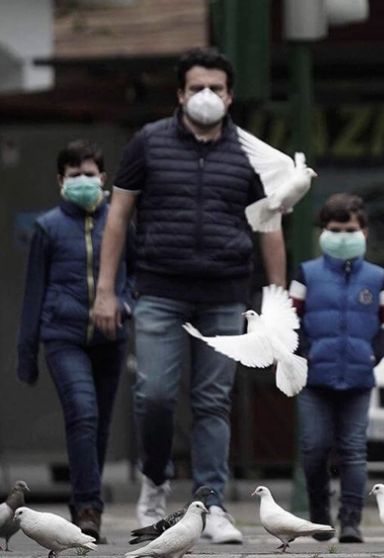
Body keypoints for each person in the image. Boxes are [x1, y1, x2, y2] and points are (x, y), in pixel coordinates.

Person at [90, 47, 287, 543]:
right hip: (158, 291)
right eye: (196, 87)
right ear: (180, 93)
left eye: (216, 88)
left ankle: (212, 505)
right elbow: (117, 218)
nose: (206, 96)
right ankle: (154, 485)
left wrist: (276, 301)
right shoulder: (147, 143)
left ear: (230, 95)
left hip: (224, 293)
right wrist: (106, 291)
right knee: (154, 394)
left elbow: (269, 227)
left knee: (212, 402)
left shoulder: (251, 152)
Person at [16, 140, 134, 543]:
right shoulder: (48, 227)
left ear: (103, 179)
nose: (83, 181)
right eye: (74, 175)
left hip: (110, 337)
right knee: (82, 414)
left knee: (98, 424)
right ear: (60, 181)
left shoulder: (119, 223)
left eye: (90, 174)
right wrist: (26, 353)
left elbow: (134, 275)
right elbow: (33, 292)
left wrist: (126, 304)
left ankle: (86, 502)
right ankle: (88, 508)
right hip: (63, 336)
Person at [288, 193, 384, 544]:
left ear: (364, 232)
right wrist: (305, 355)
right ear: (323, 231)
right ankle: (319, 515)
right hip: (313, 379)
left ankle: (351, 520)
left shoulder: (378, 277)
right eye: (334, 229)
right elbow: (290, 322)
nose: (341, 235)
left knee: (353, 450)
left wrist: (371, 356)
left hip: (358, 380)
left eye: (349, 229)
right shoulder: (307, 274)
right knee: (314, 446)